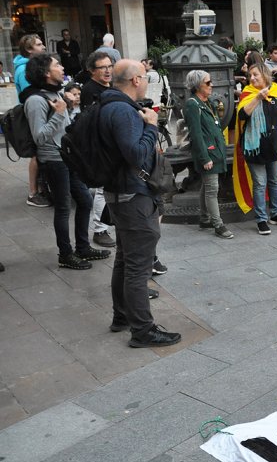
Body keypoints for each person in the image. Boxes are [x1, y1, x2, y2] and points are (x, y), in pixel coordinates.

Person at [100, 59, 181, 348]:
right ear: (135, 80)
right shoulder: (122, 111)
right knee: (137, 267)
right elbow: (134, 154)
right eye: (145, 76)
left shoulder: (111, 105)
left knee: (124, 259)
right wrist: (150, 126)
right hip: (132, 196)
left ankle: (122, 317)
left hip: (122, 194)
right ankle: (143, 330)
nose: (147, 81)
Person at [24, 53, 110, 270]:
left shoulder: (57, 93)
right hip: (53, 160)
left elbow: (65, 127)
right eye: (57, 65)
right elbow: (40, 137)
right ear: (45, 73)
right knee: (63, 208)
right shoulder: (35, 100)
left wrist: (69, 108)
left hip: (68, 157)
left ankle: (83, 247)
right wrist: (59, 113)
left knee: (85, 201)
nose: (62, 68)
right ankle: (65, 254)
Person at [235, 63, 277, 235]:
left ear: (265, 75)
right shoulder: (248, 94)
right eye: (250, 75)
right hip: (255, 145)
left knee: (274, 180)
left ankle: (275, 213)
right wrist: (258, 98)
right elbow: (242, 115)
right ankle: (261, 218)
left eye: (256, 75)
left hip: (276, 143)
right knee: (260, 183)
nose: (252, 78)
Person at [183, 69, 233, 239]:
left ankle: (205, 218)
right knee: (212, 188)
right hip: (208, 154)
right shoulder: (192, 104)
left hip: (214, 151)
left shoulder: (206, 102)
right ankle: (218, 224)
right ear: (198, 86)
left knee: (207, 186)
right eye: (208, 82)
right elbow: (196, 134)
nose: (212, 85)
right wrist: (204, 157)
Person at [80, 51, 117, 248]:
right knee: (103, 190)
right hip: (100, 147)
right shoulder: (90, 90)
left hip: (111, 145)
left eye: (110, 66)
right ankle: (100, 229)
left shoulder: (109, 87)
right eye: (102, 67)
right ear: (92, 71)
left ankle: (108, 223)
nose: (107, 70)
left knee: (106, 190)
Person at [15, 34, 51, 208]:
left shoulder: (31, 66)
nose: (43, 46)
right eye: (38, 44)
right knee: (36, 153)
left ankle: (42, 188)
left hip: (37, 113)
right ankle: (33, 193)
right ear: (29, 49)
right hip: (32, 115)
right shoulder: (24, 70)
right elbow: (29, 95)